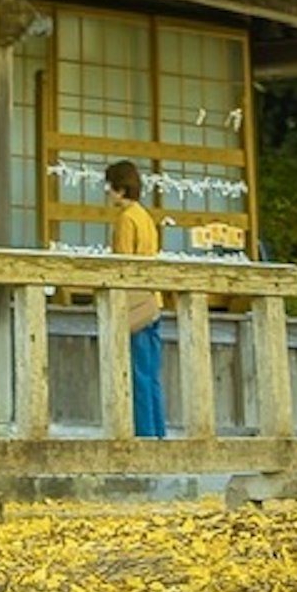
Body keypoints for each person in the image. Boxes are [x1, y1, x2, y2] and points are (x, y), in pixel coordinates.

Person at [102, 156, 173, 442]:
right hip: (152, 301)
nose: (107, 192)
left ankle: (143, 435)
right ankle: (157, 433)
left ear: (120, 188)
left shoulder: (125, 220)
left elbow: (123, 265)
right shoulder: (145, 217)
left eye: (109, 186)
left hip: (133, 304)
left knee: (137, 375)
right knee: (151, 375)